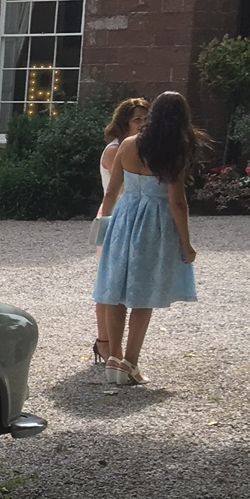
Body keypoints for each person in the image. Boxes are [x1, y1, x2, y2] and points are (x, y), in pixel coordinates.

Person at [93, 91, 205, 385]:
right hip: (154, 222)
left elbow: (111, 190)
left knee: (115, 291)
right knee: (143, 294)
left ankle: (114, 359)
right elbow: (177, 202)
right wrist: (186, 243)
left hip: (124, 218)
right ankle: (130, 361)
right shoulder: (173, 152)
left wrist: (108, 223)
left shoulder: (128, 145)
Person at [92, 97, 150, 367]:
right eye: (137, 118)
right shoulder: (117, 149)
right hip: (116, 215)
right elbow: (123, 188)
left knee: (118, 281)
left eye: (146, 118)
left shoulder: (139, 147)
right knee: (109, 282)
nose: (143, 123)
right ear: (124, 121)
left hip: (131, 218)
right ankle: (104, 342)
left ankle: (109, 345)